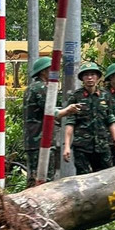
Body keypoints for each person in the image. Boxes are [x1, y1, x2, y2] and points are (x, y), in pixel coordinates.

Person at [22, 57, 81, 186]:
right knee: (43, 179)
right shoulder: (41, 88)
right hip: (41, 141)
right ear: (44, 72)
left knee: (35, 177)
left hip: (34, 141)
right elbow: (51, 113)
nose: (56, 72)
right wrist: (68, 110)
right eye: (52, 69)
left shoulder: (31, 88)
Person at [63, 62, 115, 174]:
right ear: (82, 78)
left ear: (98, 77)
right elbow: (70, 122)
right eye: (86, 75)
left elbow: (110, 119)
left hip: (102, 145)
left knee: (107, 175)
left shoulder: (106, 95)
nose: (90, 78)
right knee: (83, 178)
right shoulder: (76, 97)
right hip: (82, 147)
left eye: (93, 74)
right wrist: (66, 146)